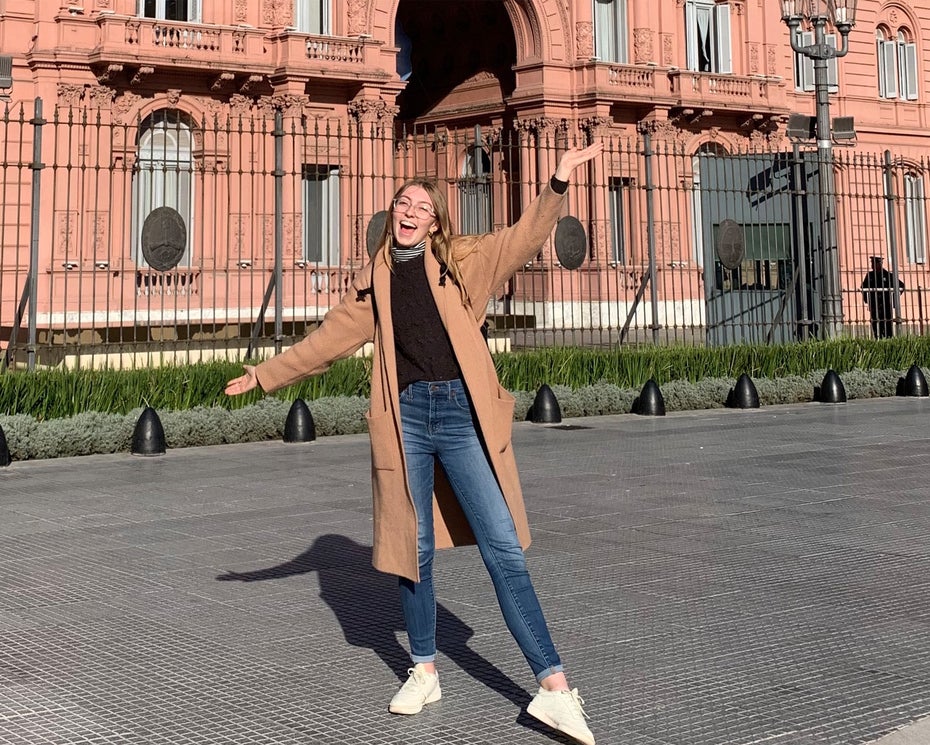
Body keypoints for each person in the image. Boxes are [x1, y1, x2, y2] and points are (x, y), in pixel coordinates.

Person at [225, 142, 604, 745]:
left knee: (503, 545)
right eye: (403, 201)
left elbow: (525, 236)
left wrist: (557, 181)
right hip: (405, 420)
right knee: (413, 548)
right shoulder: (375, 279)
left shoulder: (463, 262)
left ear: (435, 222)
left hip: (460, 414)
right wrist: (265, 375)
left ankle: (553, 687)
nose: (409, 210)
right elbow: (327, 341)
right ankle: (423, 668)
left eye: (422, 205)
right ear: (392, 213)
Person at [861, 255, 904, 338]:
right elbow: (863, 287)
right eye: (872, 263)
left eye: (874, 263)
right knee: (876, 326)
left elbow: (901, 286)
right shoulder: (870, 275)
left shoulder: (888, 275)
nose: (872, 265)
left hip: (886, 305)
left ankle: (889, 340)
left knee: (888, 326)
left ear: (879, 264)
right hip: (874, 305)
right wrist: (866, 300)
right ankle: (878, 340)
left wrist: (895, 300)